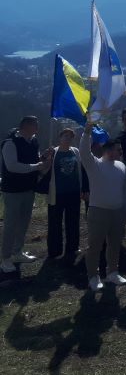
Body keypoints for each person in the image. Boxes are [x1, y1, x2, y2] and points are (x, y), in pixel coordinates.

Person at [78, 124, 126, 290]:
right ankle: (93, 276)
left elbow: (124, 189)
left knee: (115, 244)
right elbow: (84, 151)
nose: (121, 153)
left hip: (118, 211)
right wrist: (87, 132)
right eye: (118, 150)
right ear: (107, 150)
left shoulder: (121, 166)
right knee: (95, 246)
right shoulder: (94, 165)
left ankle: (112, 273)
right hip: (98, 211)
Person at [1, 116, 51, 273]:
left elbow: (34, 161)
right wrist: (37, 166)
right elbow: (12, 166)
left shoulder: (33, 141)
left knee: (23, 222)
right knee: (10, 224)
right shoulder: (10, 143)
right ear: (27, 127)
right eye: (36, 126)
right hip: (13, 191)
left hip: (28, 189)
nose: (38, 128)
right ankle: (6, 258)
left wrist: (43, 158)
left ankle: (18, 252)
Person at [45, 126, 82, 263]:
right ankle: (54, 251)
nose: (67, 138)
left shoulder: (75, 151)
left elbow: (80, 170)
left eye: (70, 136)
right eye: (65, 136)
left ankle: (72, 248)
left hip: (73, 193)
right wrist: (45, 159)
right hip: (57, 193)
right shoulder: (52, 152)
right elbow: (43, 170)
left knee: (73, 221)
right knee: (55, 222)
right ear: (59, 137)